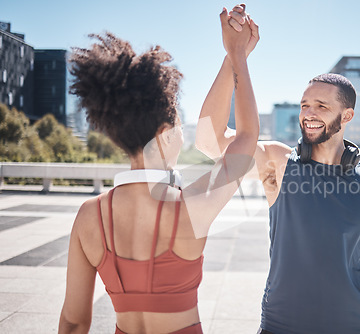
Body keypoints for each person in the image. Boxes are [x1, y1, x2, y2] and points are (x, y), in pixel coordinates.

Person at [196, 4, 360, 334]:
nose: (309, 113)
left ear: (346, 116)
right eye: (305, 104)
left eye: (322, 106)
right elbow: (209, 141)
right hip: (281, 325)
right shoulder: (278, 164)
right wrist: (235, 55)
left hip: (352, 325)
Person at [58, 8, 259, 334]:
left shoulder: (88, 216)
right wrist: (237, 54)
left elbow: (74, 321)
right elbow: (247, 136)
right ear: (166, 133)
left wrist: (232, 57)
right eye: (179, 126)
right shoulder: (192, 206)